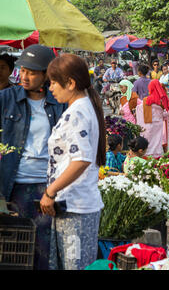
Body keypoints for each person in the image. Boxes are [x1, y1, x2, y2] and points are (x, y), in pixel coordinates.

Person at [0, 45, 65, 270]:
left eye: (32, 72)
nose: (25, 77)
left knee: (42, 247)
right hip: (13, 185)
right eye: (23, 71)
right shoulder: (6, 98)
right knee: (12, 247)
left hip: (45, 187)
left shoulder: (58, 103)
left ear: (47, 74)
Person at [40, 53, 106, 270]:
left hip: (76, 208)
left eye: (54, 83)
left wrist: (50, 191)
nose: (50, 88)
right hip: (73, 205)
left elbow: (81, 160)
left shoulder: (78, 112)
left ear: (70, 83)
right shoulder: (81, 107)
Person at [136, 80, 169, 158]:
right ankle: (157, 155)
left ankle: (148, 155)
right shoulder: (163, 99)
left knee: (149, 141)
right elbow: (167, 112)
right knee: (157, 141)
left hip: (148, 124)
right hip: (158, 124)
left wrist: (137, 109)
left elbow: (140, 109)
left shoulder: (146, 100)